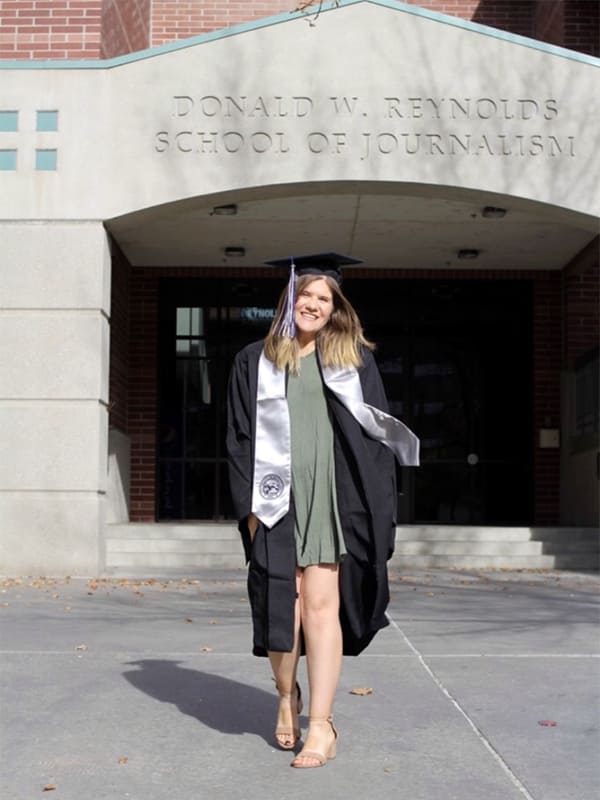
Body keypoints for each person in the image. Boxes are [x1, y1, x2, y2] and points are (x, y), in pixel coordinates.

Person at [226, 253, 419, 768]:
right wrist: (248, 507)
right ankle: (287, 695)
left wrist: (374, 503)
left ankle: (322, 725)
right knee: (280, 611)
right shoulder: (253, 361)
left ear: (334, 309)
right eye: (304, 295)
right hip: (274, 499)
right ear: (288, 301)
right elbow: (240, 435)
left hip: (331, 500)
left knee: (319, 608)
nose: (312, 304)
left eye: (322, 298)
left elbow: (374, 436)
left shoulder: (351, 361)